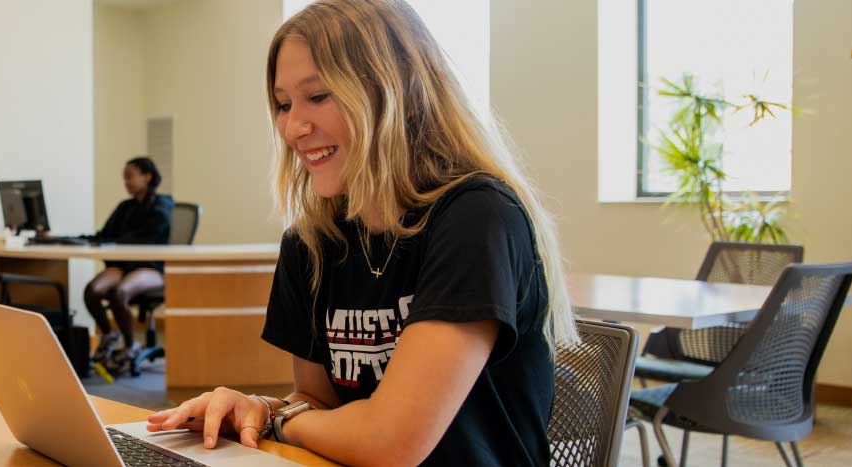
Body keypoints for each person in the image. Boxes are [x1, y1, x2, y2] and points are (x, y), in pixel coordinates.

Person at [143, 1, 578, 465]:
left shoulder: (477, 217)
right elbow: (319, 404)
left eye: (319, 96)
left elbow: (391, 443)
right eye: (284, 104)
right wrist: (258, 409)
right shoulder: (311, 241)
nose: (294, 127)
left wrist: (277, 419)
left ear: (397, 91)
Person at [83, 157, 173, 371]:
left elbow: (148, 237)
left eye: (129, 176)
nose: (126, 182)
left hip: (151, 267)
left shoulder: (163, 204)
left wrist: (115, 242)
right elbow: (105, 235)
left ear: (147, 176)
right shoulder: (125, 207)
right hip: (124, 265)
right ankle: (109, 334)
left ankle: (131, 345)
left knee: (120, 292)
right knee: (92, 291)